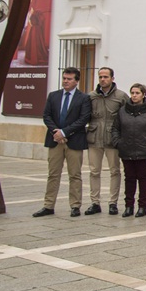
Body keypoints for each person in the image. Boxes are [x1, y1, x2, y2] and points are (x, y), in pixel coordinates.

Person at [34, 67, 92, 218]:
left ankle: (75, 205)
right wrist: (56, 132)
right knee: (53, 174)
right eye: (64, 78)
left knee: (75, 175)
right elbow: (46, 116)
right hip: (55, 141)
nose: (65, 81)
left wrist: (64, 132)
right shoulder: (53, 96)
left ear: (76, 81)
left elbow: (83, 119)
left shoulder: (83, 98)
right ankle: (48, 205)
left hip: (74, 141)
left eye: (69, 79)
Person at [110, 83, 146, 217]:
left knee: (143, 178)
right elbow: (115, 128)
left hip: (145, 150)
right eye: (132, 93)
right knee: (129, 178)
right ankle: (129, 206)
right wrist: (118, 142)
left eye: (137, 93)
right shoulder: (123, 111)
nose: (134, 95)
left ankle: (142, 206)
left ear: (143, 94)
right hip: (126, 149)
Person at [85, 67, 127, 216]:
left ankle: (112, 203)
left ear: (112, 78)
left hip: (112, 139)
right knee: (94, 171)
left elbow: (126, 117)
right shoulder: (91, 96)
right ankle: (94, 202)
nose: (103, 79)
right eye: (100, 77)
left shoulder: (121, 96)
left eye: (106, 77)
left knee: (115, 171)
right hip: (94, 138)